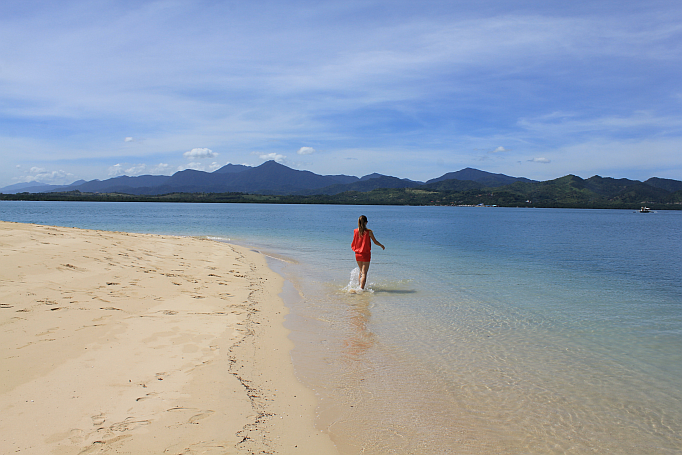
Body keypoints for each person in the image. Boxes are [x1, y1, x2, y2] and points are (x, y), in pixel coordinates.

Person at [351, 215, 385, 290]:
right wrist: (381, 245)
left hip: (357, 254)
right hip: (365, 254)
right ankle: (361, 289)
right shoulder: (369, 232)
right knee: (364, 273)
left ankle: (359, 286)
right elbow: (375, 241)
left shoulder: (355, 231)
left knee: (361, 271)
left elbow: (354, 242)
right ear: (366, 222)